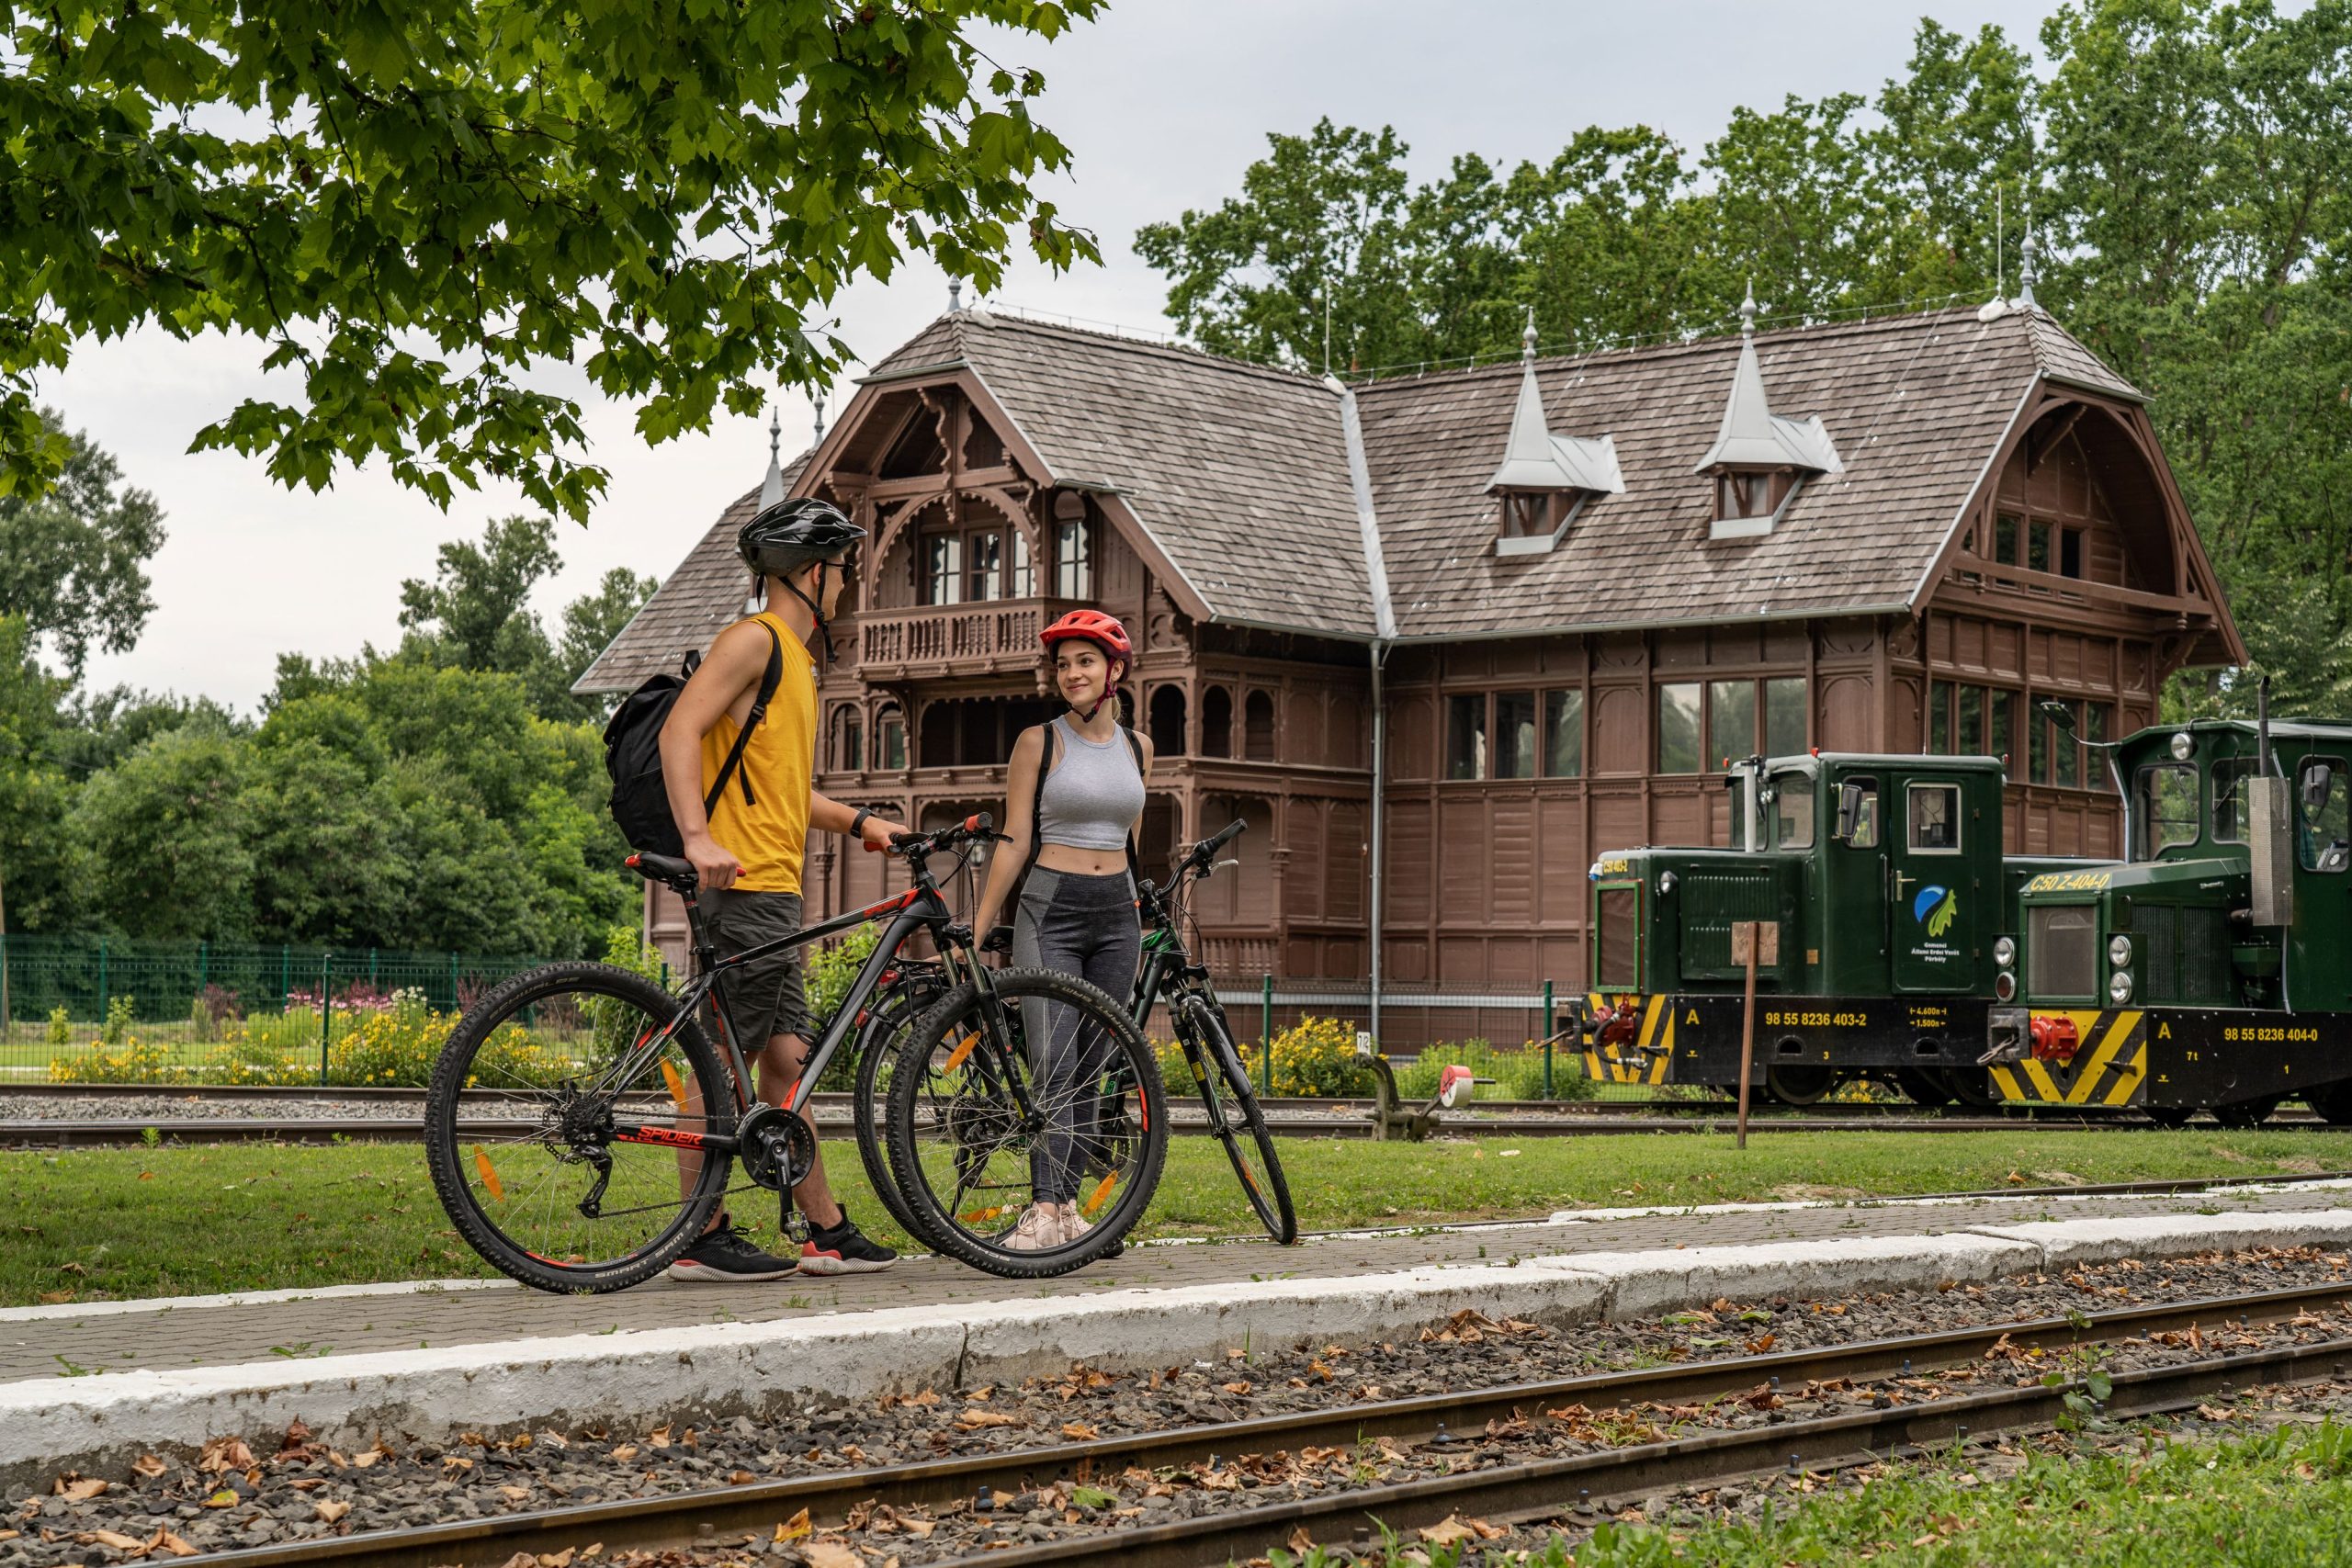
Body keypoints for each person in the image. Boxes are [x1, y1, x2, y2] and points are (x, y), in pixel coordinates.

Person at [655, 497, 910, 1280]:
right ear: (809, 571)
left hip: (775, 891)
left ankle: (825, 1229)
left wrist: (861, 821)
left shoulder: (797, 662)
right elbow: (678, 729)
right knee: (721, 1061)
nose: (848, 581)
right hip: (746, 887)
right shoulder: (755, 640)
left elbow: (785, 790)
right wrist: (697, 837)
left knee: (787, 1061)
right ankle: (700, 1232)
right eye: (842, 567)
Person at [968, 609, 1154, 1250]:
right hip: (1052, 911)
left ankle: (1070, 1210)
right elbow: (1014, 842)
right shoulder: (1038, 742)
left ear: (1114, 670)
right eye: (1063, 663)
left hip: (1118, 915)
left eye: (1085, 661)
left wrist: (1139, 910)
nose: (1071, 673)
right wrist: (977, 932)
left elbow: (1131, 841)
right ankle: (1041, 1209)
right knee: (1052, 1058)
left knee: (1093, 1066)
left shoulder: (1138, 749)